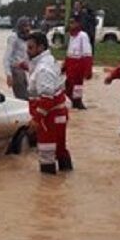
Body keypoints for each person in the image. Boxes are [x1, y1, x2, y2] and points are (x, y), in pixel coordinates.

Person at [26, 32, 72, 175]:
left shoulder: (43, 69)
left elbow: (47, 98)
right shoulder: (49, 60)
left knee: (46, 154)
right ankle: (66, 178)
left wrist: (36, 119)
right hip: (57, 114)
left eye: (30, 48)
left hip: (49, 118)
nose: (27, 51)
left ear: (40, 47)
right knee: (60, 149)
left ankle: (48, 190)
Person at [63, 14, 93, 109]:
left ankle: (77, 103)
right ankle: (70, 103)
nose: (70, 25)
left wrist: (88, 70)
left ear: (78, 24)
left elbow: (87, 54)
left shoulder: (83, 36)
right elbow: (69, 53)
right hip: (70, 66)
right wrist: (64, 66)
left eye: (72, 23)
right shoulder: (71, 36)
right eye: (70, 23)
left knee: (77, 86)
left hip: (78, 66)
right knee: (68, 86)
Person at [3, 17, 32, 100]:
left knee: (30, 96)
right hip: (17, 71)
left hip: (26, 70)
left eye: (29, 26)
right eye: (25, 26)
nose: (28, 28)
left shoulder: (28, 39)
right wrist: (8, 75)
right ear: (20, 27)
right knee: (22, 98)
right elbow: (6, 57)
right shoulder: (13, 38)